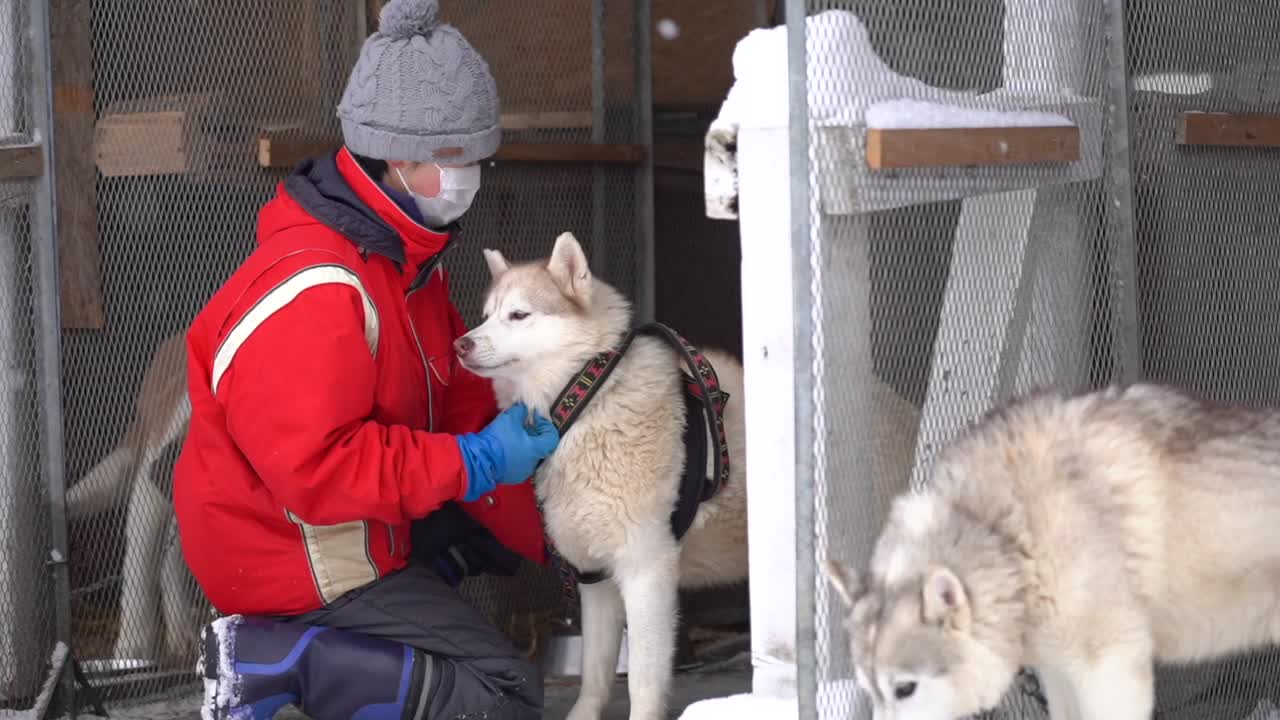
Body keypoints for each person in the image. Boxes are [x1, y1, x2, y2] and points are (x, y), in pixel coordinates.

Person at [171, 1, 559, 718]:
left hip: (351, 530)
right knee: (503, 694)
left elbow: (452, 396)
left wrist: (525, 484)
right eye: (453, 159)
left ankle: (358, 640)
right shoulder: (320, 288)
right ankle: (276, 657)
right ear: (397, 155)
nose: (469, 175)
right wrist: (474, 463)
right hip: (298, 555)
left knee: (481, 543)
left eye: (477, 155)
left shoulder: (403, 259)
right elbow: (320, 471)